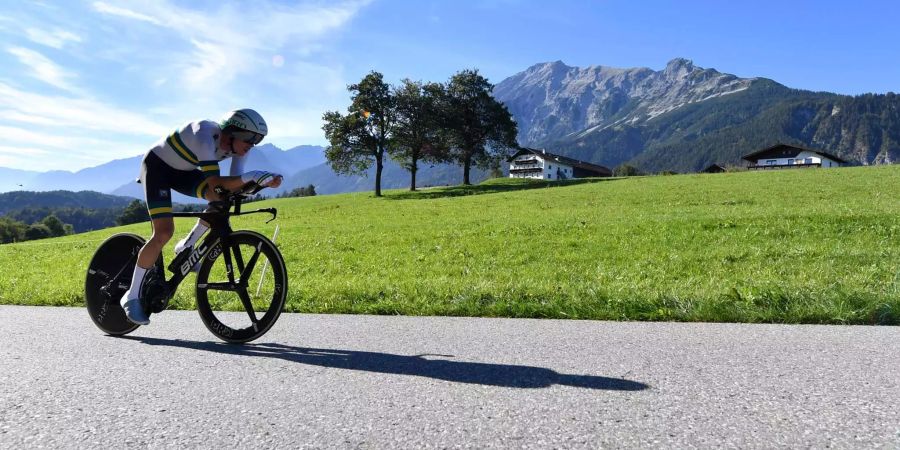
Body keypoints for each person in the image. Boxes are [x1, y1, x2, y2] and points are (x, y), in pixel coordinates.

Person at [121, 108, 283, 325]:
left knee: (222, 198)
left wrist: (261, 183)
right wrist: (254, 176)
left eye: (256, 141)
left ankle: (186, 245)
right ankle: (131, 296)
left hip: (184, 172)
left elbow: (233, 185)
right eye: (249, 139)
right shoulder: (205, 136)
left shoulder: (240, 148)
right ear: (233, 131)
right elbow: (217, 184)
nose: (251, 145)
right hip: (157, 167)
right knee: (163, 233)